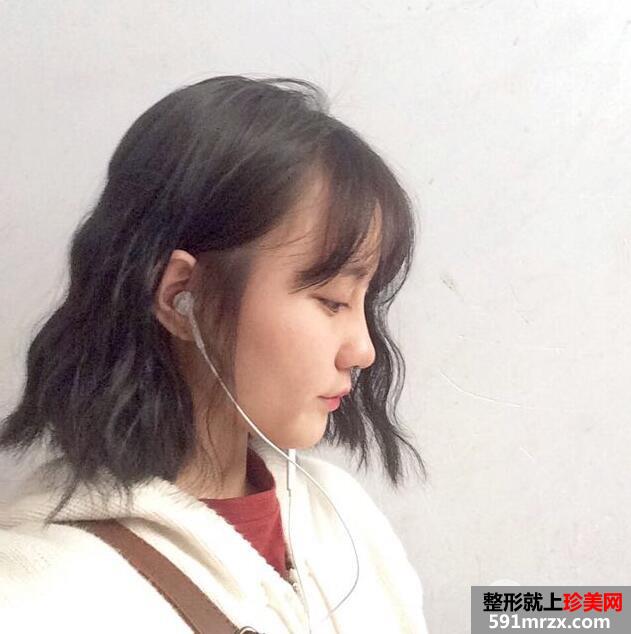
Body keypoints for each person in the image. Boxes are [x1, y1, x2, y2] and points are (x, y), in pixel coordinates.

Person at [0, 75, 429, 633]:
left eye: (364, 302)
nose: (364, 351)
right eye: (332, 300)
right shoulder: (41, 597)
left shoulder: (343, 518)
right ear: (182, 297)